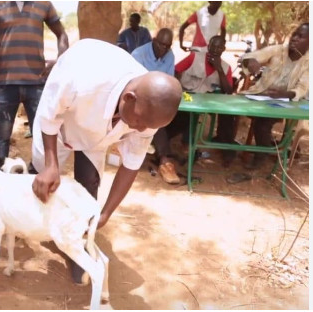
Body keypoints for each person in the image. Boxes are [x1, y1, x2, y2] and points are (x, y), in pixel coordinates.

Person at [30, 38, 182, 283]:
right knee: (41, 176)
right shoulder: (82, 79)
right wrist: (50, 166)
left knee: (89, 183)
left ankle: (77, 247)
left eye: (149, 127)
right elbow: (50, 117)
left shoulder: (148, 110)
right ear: (129, 98)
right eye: (139, 122)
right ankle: (28, 221)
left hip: (94, 134)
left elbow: (131, 163)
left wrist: (106, 213)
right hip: (60, 124)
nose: (141, 129)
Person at [0, 1, 68, 159]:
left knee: (41, 136)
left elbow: (61, 34)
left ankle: (37, 176)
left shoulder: (44, 4)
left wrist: (60, 60)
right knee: (2, 136)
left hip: (36, 84)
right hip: (5, 84)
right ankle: (0, 175)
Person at [241, 23, 309, 169]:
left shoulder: (309, 62)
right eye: (294, 34)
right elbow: (249, 57)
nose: (294, 39)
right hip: (260, 96)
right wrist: (250, 61)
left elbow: (302, 89)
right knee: (233, 110)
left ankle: (261, 156)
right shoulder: (278, 50)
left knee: (263, 122)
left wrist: (284, 94)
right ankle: (227, 147)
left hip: (286, 103)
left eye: (300, 36)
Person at [175, 35, 235, 166]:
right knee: (191, 111)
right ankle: (187, 143)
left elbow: (228, 91)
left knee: (228, 115)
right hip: (187, 94)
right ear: (208, 46)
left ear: (223, 49)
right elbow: (176, 70)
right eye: (213, 46)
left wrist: (219, 69)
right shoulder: (194, 57)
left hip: (207, 99)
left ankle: (226, 148)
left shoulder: (225, 67)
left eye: (219, 47)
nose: (215, 49)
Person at [131, 28, 180, 184]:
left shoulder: (169, 56)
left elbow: (169, 81)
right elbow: (132, 85)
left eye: (167, 46)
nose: (164, 49)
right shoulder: (139, 55)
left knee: (183, 118)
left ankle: (154, 142)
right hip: (137, 100)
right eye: (161, 44)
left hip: (159, 100)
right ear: (154, 40)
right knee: (155, 116)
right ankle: (165, 160)